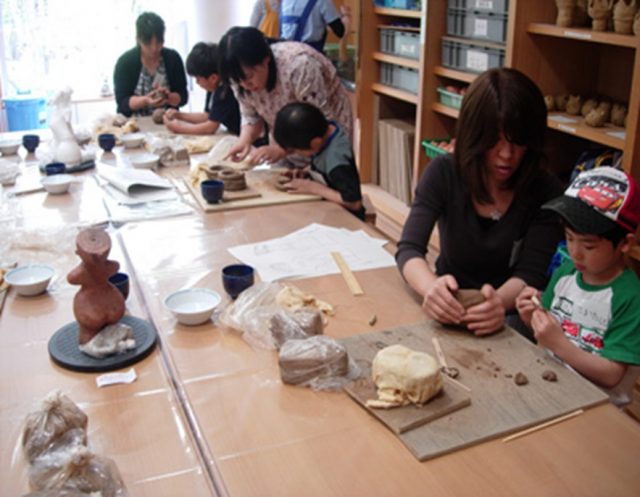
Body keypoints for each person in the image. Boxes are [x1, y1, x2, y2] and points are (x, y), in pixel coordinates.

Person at [396, 67, 564, 336]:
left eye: (518, 142)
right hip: (450, 297)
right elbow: (409, 249)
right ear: (474, 135)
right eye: (494, 141)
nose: (506, 154)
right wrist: (430, 288)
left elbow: (530, 273)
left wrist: (497, 304)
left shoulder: (545, 190)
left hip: (510, 310)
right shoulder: (444, 172)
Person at [516, 166, 640, 406]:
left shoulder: (630, 297)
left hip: (598, 407)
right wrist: (531, 317)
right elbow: (547, 333)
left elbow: (612, 375)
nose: (575, 252)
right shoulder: (566, 274)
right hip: (551, 388)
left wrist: (558, 344)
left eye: (589, 245)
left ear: (625, 243)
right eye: (569, 238)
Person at [218, 26, 352, 166]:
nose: (245, 85)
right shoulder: (238, 78)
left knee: (326, 172)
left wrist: (281, 149)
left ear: (265, 59)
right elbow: (251, 116)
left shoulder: (300, 67)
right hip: (287, 137)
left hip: (323, 134)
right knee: (283, 174)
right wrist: (244, 141)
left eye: (249, 77)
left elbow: (318, 125)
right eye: (238, 80)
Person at [273, 102, 364, 220]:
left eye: (296, 151)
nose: (296, 154)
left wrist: (313, 188)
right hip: (326, 209)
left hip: (346, 218)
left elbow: (354, 203)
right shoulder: (326, 131)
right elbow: (323, 165)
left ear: (315, 143)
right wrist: (307, 172)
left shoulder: (337, 161)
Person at [113, 12, 188, 117]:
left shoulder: (173, 59)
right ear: (138, 40)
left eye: (159, 43)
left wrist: (168, 97)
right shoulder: (125, 62)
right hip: (134, 122)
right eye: (148, 44)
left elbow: (183, 97)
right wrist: (145, 100)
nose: (154, 48)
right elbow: (122, 102)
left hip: (168, 121)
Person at [162, 42, 240, 136]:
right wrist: (179, 115)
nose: (197, 82)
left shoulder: (224, 90)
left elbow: (210, 127)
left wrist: (179, 129)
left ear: (213, 78)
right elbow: (208, 116)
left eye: (198, 79)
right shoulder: (214, 86)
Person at [278, 0, 351, 52]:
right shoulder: (322, 1)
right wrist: (345, 15)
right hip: (311, 57)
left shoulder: (285, 1)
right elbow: (340, 31)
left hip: (286, 56)